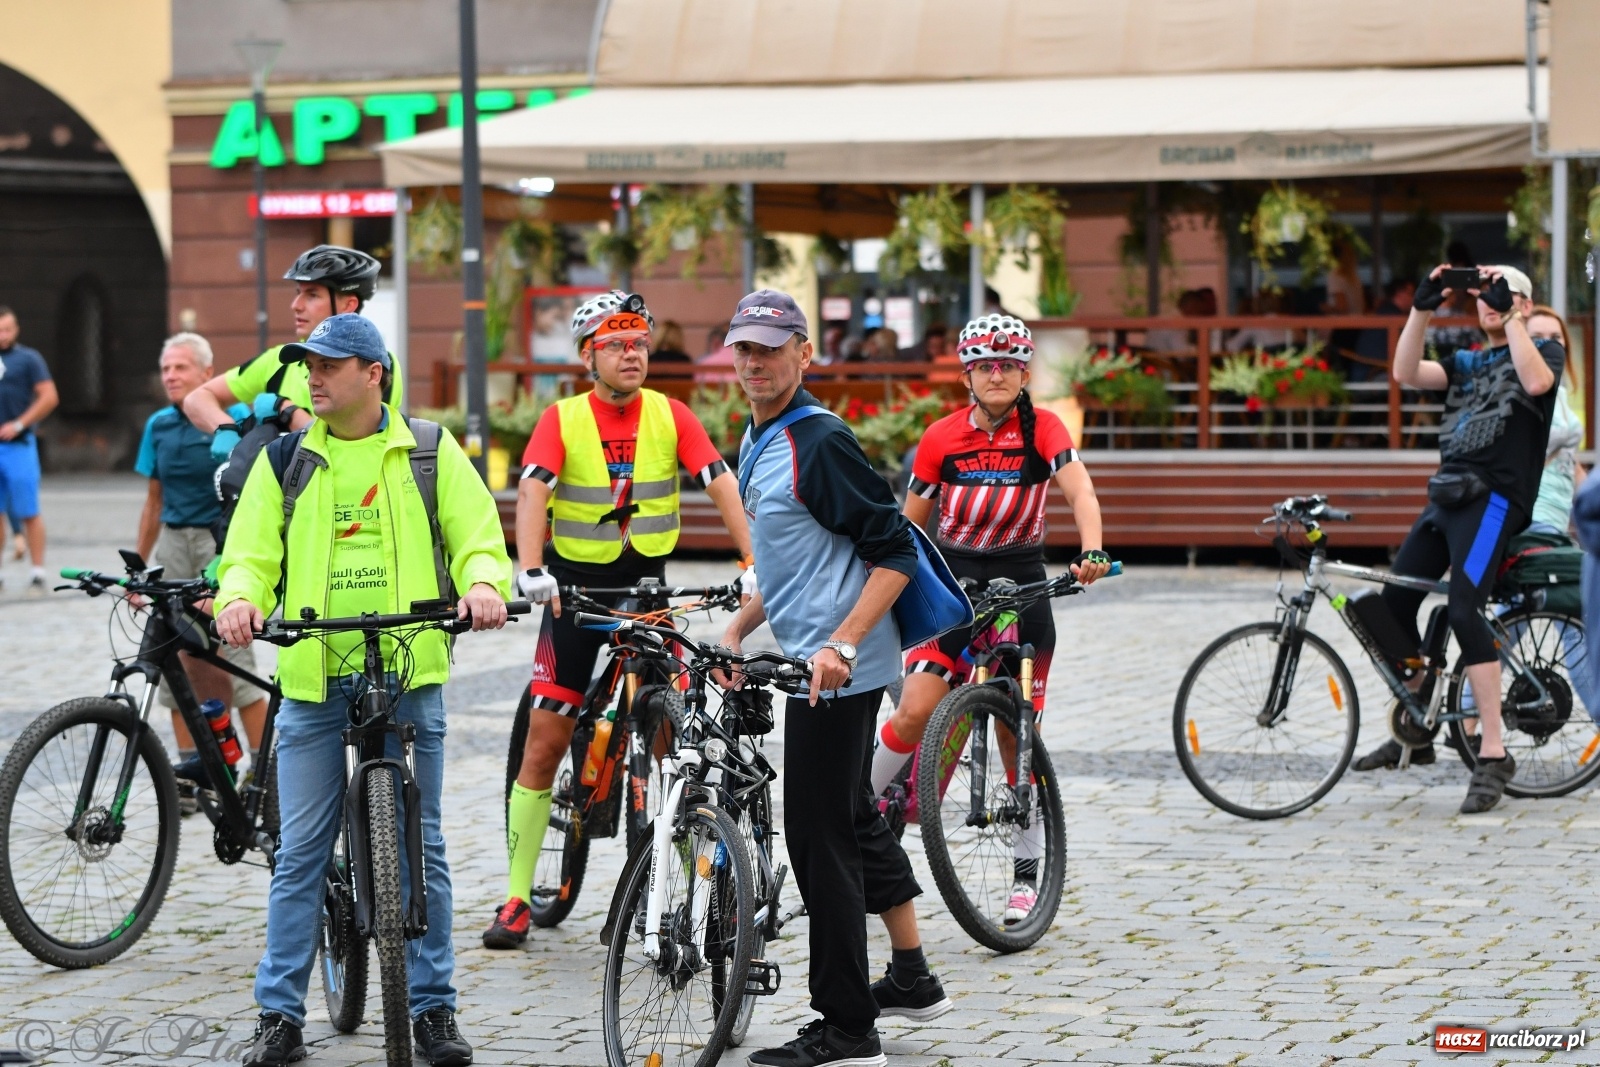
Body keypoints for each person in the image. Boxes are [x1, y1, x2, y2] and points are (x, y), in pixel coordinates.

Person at [214, 314, 511, 1067]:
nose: (311, 377)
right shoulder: (286, 458)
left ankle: (434, 1009)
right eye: (308, 365)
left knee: (427, 846)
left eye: (328, 365)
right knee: (302, 851)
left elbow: (477, 533)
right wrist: (240, 600)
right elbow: (247, 555)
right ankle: (279, 1014)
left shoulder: (428, 449)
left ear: (372, 372)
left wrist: (481, 584)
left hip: (410, 666)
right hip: (313, 670)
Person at [717, 289, 949, 1067]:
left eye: (770, 348)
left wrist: (842, 645)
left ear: (804, 354)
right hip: (816, 656)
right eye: (743, 349)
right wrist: (740, 627)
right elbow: (794, 559)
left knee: (819, 842)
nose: (754, 362)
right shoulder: (760, 435)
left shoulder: (817, 440)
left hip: (835, 672)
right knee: (850, 816)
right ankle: (911, 975)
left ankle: (848, 1027)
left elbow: (895, 551)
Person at [484, 290, 756, 949]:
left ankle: (674, 872)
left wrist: (753, 558)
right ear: (588, 355)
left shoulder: (671, 413)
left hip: (649, 590)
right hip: (576, 592)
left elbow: (719, 480)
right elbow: (532, 490)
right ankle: (519, 894)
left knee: (678, 736)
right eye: (616, 343)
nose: (632, 354)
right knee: (546, 741)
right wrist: (529, 568)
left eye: (640, 342)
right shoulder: (562, 417)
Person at [868, 314, 1110, 923]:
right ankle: (855, 811)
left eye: (1007, 365)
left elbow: (1079, 490)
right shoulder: (941, 437)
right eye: (985, 365)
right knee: (915, 708)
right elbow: (912, 525)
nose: (996, 374)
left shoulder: (1044, 428)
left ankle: (1026, 878)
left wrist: (1092, 549)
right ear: (967, 376)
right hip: (951, 589)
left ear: (1024, 373)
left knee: (1015, 736)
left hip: (1023, 588)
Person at [1350, 265, 1563, 814]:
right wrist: (1420, 309)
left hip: (1496, 500)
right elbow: (1405, 373)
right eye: (1485, 297)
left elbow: (1537, 384)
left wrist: (1512, 313)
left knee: (1466, 610)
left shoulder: (1540, 351)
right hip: (1447, 496)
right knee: (1389, 605)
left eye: (1502, 296)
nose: (1489, 304)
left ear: (1521, 302)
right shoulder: (1467, 361)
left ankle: (1492, 752)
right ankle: (1419, 719)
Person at [133, 332, 270, 789]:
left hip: (222, 541)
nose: (171, 376)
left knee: (233, 648)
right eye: (166, 368)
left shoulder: (234, 420)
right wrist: (140, 566)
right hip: (175, 542)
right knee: (176, 651)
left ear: (207, 375)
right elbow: (154, 500)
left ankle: (263, 772)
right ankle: (192, 775)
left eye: (181, 368)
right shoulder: (158, 426)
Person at [183, 246, 403, 449]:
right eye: (298, 292)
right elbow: (197, 398)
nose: (296, 305)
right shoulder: (279, 359)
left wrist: (286, 410)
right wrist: (225, 428)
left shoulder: (375, 363)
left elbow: (346, 444)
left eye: (312, 295)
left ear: (348, 305)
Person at [0, 306, 58, 595]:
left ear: (16, 328)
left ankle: (37, 572)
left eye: (8, 329)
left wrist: (21, 423)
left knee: (28, 510)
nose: (4, 335)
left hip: (18, 445)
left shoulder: (28, 359)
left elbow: (49, 396)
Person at [1523, 305, 1586, 536]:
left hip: (1560, 515)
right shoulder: (1518, 391)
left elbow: (1569, 458)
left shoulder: (1560, 395)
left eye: (1555, 337)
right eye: (1537, 338)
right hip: (1530, 516)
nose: (1548, 344)